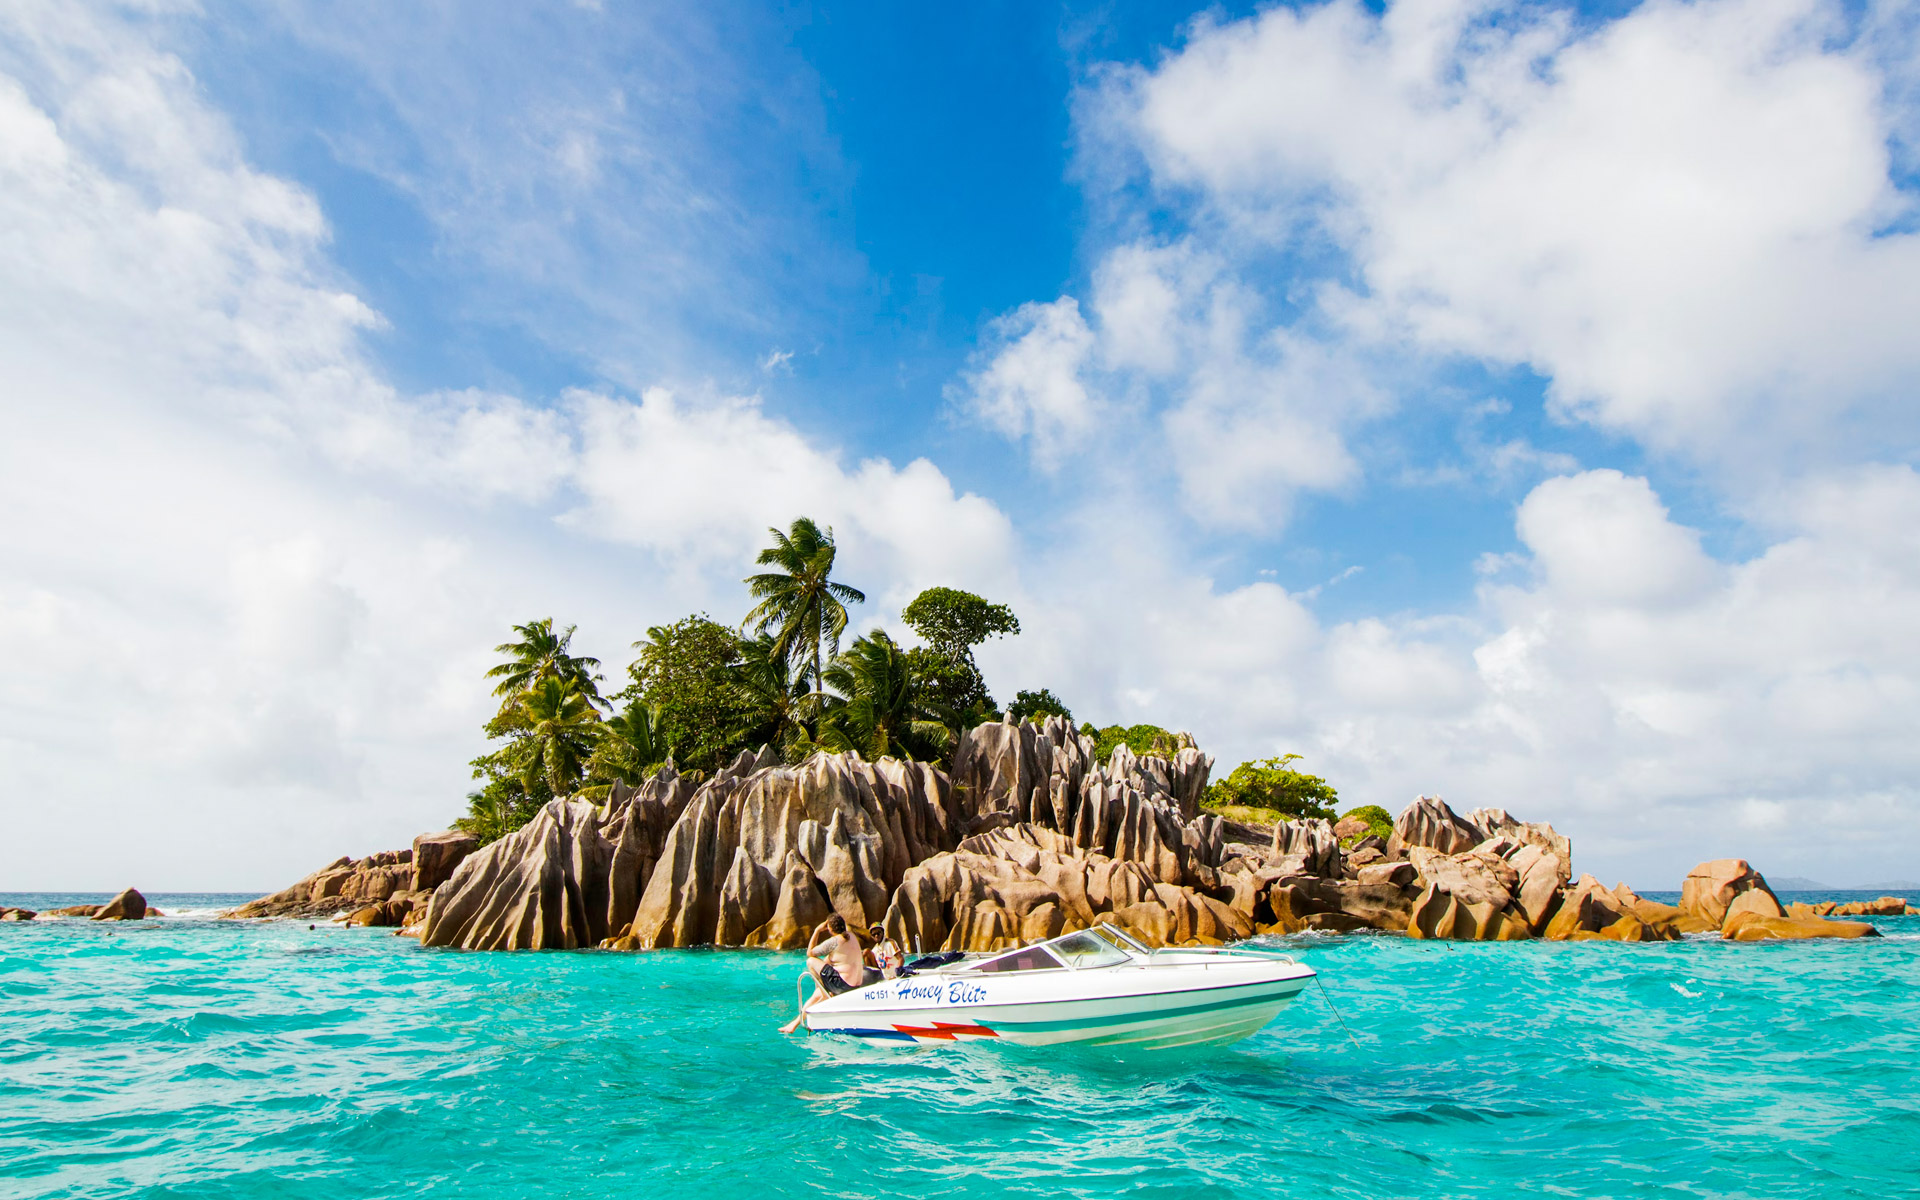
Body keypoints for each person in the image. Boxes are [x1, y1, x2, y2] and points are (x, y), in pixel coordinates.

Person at [779, 914, 868, 1033]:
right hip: (856, 984)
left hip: (843, 985)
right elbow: (831, 960)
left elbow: (810, 953)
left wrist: (817, 931)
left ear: (829, 928)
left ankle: (823, 992)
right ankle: (794, 1025)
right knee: (816, 994)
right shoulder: (851, 936)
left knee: (810, 962)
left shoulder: (834, 941)